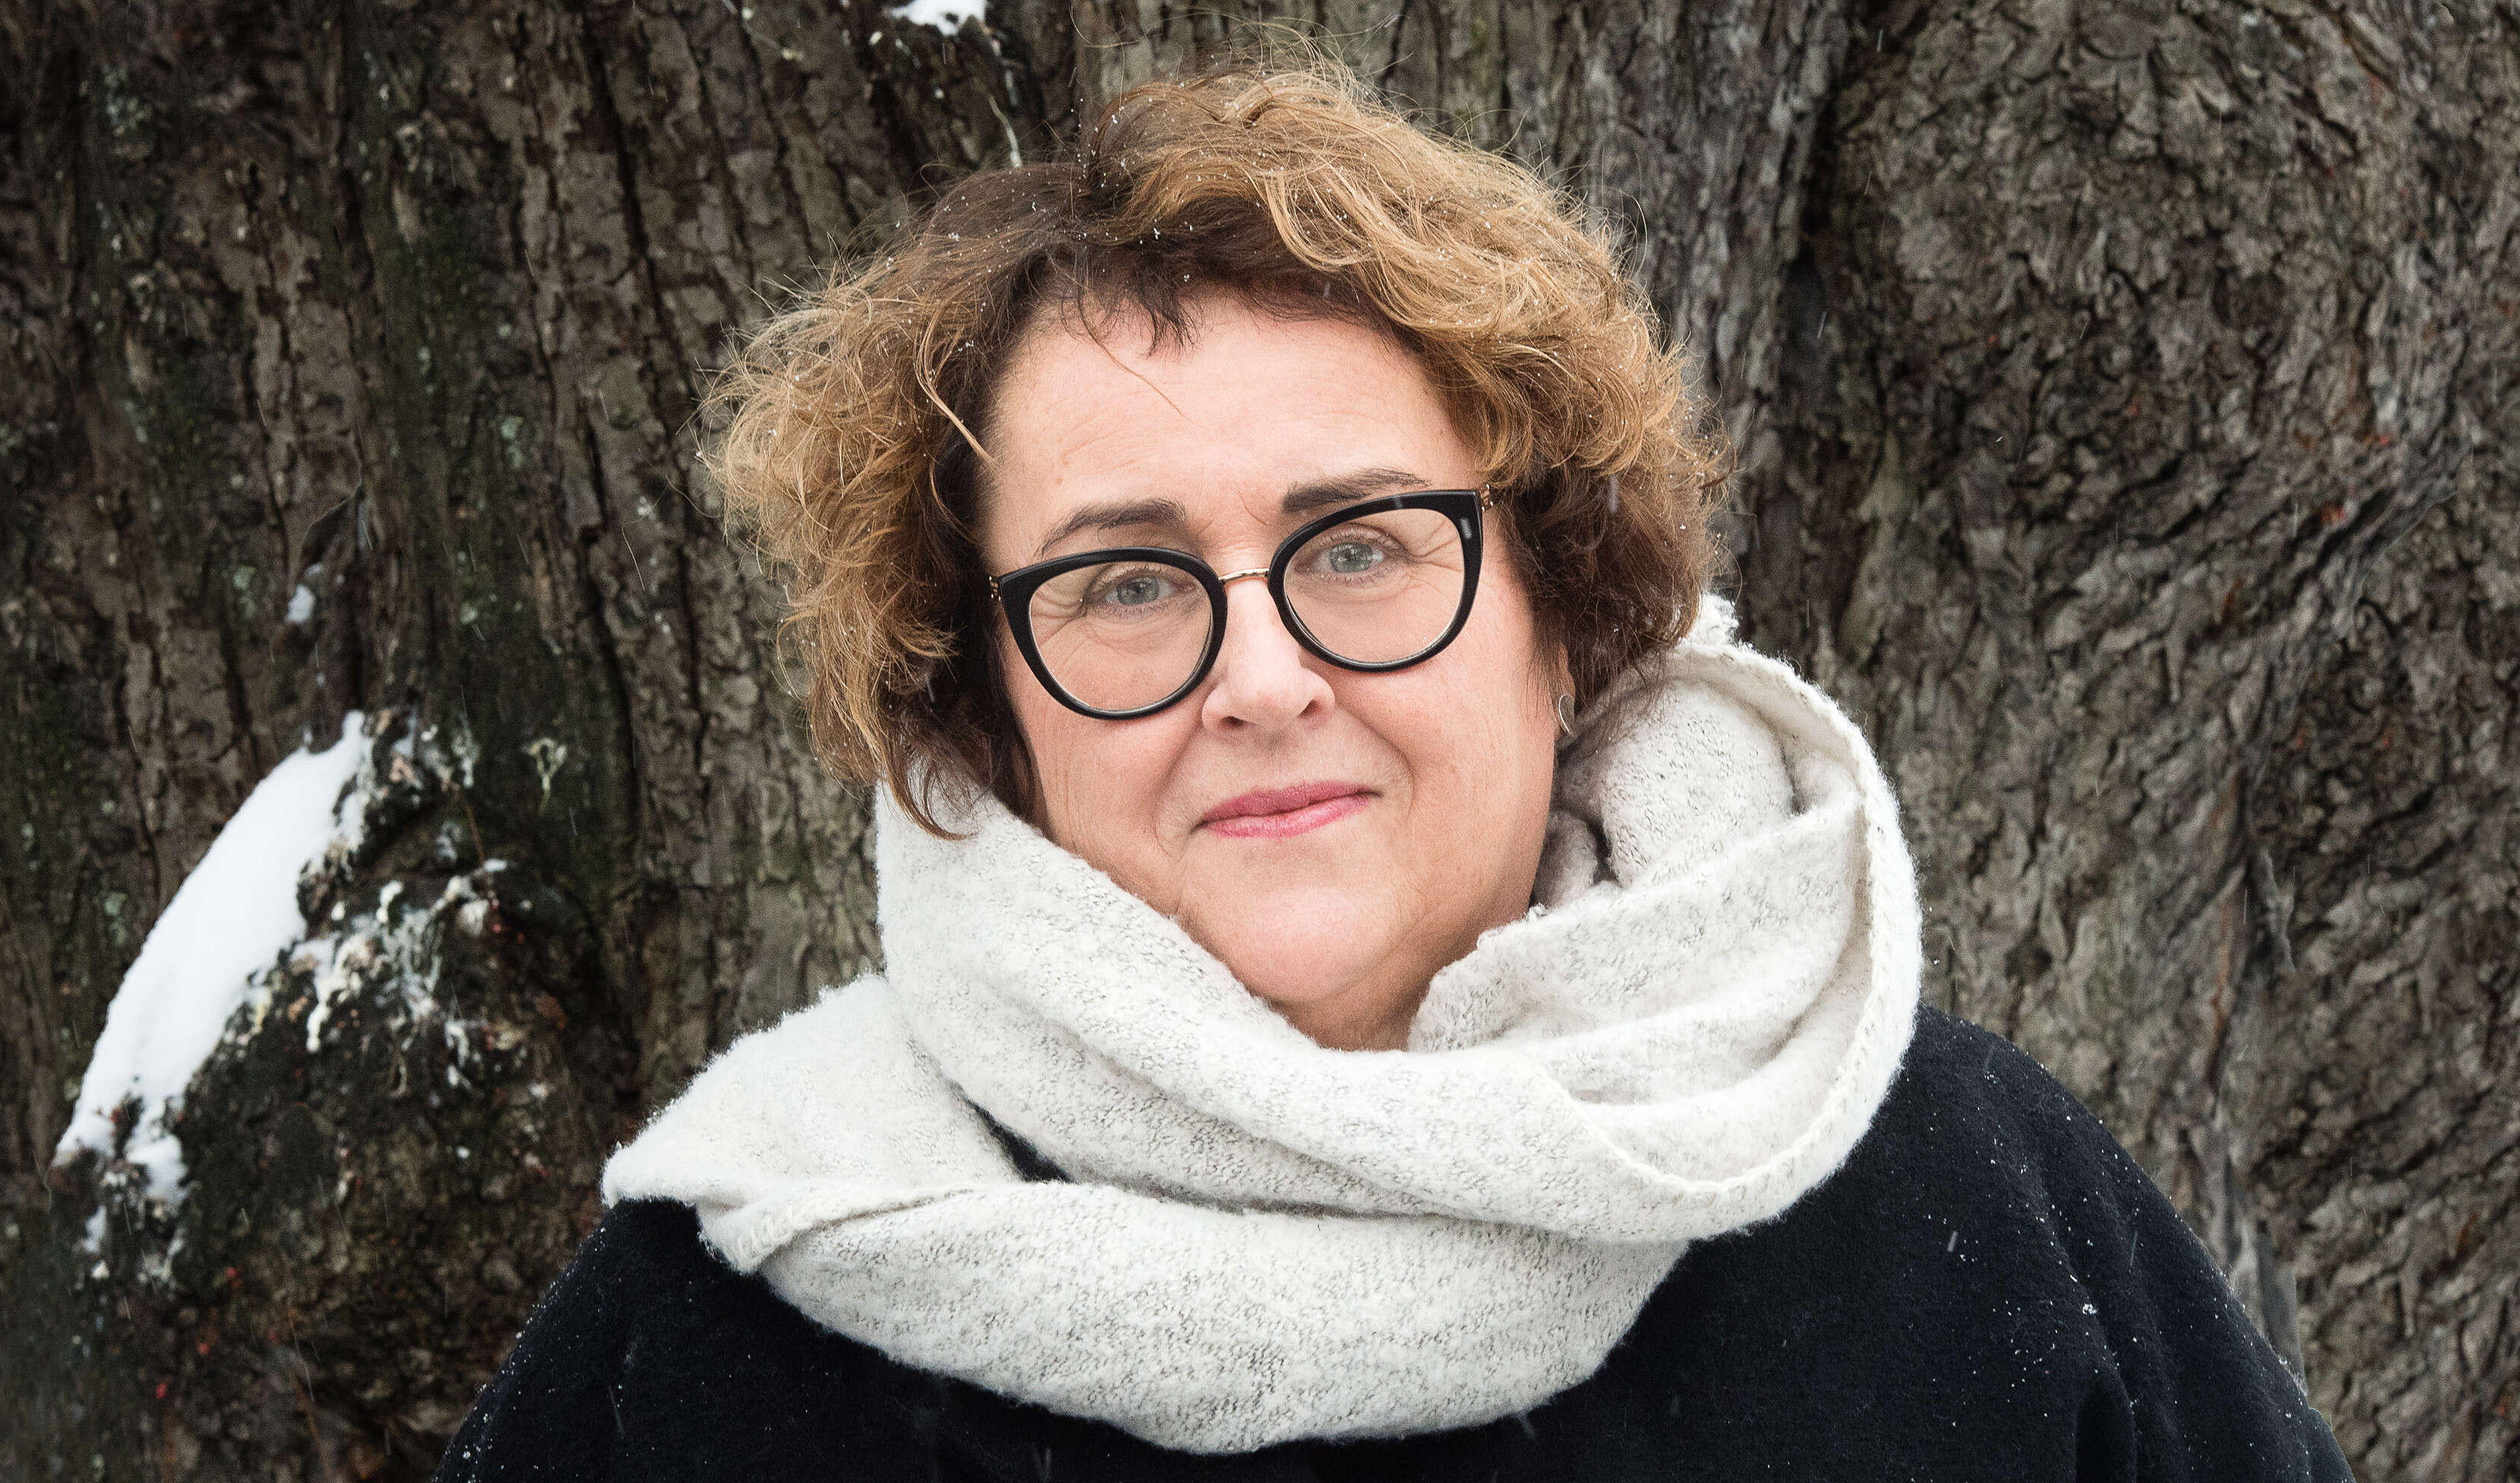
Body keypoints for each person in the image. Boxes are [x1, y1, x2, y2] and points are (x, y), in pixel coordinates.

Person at [436, 59, 2350, 1481]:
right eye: (1125, 584)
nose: (1262, 681)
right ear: (980, 704)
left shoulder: (1953, 1204)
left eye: (1358, 547)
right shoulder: (729, 1326)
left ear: (1560, 614)